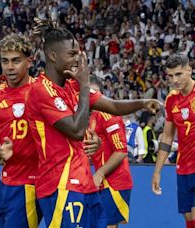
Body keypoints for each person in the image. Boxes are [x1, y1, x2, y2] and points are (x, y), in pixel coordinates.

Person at [25, 18, 161, 227]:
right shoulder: (40, 90)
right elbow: (77, 130)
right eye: (72, 54)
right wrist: (85, 84)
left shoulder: (73, 86)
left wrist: (143, 103)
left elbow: (113, 106)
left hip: (85, 184)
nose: (77, 59)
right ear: (52, 56)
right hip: (60, 184)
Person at [0, 34, 42, 228]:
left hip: (35, 182)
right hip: (7, 184)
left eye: (16, 61)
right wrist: (0, 152)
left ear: (29, 61)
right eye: (5, 61)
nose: (10, 67)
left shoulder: (42, 91)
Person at [151, 54, 195, 228]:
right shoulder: (171, 99)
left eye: (178, 74)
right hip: (183, 167)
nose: (174, 80)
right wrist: (157, 171)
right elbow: (168, 136)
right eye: (170, 76)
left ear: (189, 70)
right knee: (188, 216)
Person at [87, 76, 133, 228]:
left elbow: (121, 151)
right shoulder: (92, 117)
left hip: (114, 182)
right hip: (102, 182)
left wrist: (99, 173)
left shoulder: (108, 114)